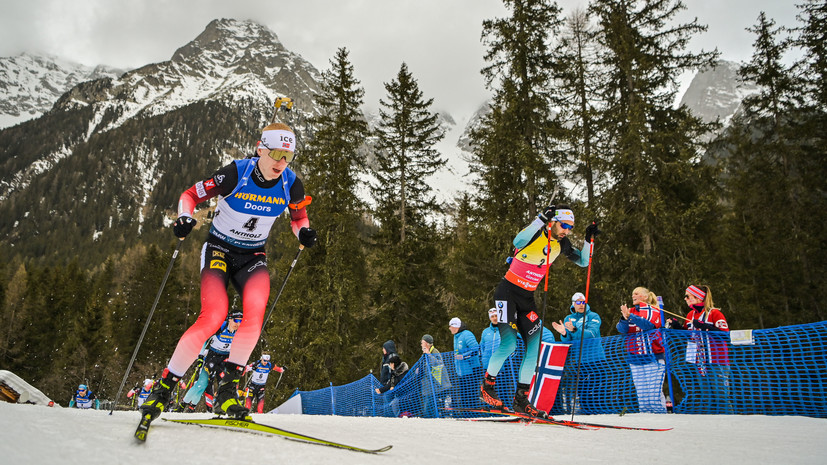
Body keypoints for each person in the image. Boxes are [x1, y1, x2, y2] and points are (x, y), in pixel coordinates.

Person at [140, 122, 317, 421]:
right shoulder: (236, 173)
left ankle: (226, 392)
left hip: (252, 256)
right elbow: (190, 195)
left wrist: (304, 232)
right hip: (219, 250)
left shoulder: (290, 183)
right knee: (213, 316)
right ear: (260, 148)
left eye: (288, 155)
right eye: (276, 153)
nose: (281, 162)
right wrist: (184, 217)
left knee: (255, 313)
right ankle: (163, 390)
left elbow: (299, 217)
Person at [480, 205, 598, 418]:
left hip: (527, 298)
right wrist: (540, 219)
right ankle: (487, 386)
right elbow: (517, 242)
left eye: (571, 228)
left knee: (534, 349)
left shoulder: (562, 243)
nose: (567, 231)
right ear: (553, 222)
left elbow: (582, 261)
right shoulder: (537, 232)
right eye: (564, 226)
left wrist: (589, 241)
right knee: (509, 344)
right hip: (507, 292)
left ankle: (521, 400)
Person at [668, 284, 732, 413]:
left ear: (698, 297)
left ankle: (729, 421)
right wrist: (676, 326)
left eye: (688, 296)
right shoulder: (691, 315)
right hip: (700, 361)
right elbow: (688, 336)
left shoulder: (714, 313)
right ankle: (709, 423)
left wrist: (705, 326)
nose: (685, 299)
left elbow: (725, 335)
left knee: (721, 396)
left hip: (716, 361)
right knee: (706, 396)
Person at [176, 309, 242, 412]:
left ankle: (224, 408)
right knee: (202, 384)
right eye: (236, 320)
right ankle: (181, 406)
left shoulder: (241, 331)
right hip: (213, 356)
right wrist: (201, 356)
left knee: (226, 385)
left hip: (225, 359)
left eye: (241, 321)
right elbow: (204, 340)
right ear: (229, 319)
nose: (238, 324)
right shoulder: (220, 327)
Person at [552, 292, 605, 413]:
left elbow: (590, 334)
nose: (581, 305)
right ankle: (586, 412)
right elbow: (567, 340)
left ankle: (600, 412)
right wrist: (564, 333)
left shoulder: (593, 316)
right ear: (573, 304)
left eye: (583, 302)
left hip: (596, 358)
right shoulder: (569, 319)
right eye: (578, 302)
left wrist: (575, 330)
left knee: (597, 388)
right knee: (582, 389)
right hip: (580, 360)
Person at [617, 286, 667, 413]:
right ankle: (645, 416)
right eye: (632, 293)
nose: (633, 295)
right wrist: (624, 318)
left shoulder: (654, 310)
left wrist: (631, 317)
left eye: (636, 293)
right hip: (635, 357)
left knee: (653, 392)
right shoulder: (631, 310)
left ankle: (660, 415)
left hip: (653, 356)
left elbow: (649, 326)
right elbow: (622, 330)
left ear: (645, 296)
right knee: (642, 393)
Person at [449, 317, 482, 410]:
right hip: (462, 371)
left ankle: (474, 412)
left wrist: (464, 356)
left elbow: (476, 349)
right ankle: (466, 413)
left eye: (450, 326)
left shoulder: (467, 334)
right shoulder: (456, 337)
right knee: (464, 394)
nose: (449, 328)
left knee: (471, 394)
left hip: (472, 370)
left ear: (456, 326)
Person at [418, 334, 450, 417]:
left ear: (427, 344)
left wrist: (429, 354)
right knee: (427, 409)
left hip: (436, 387)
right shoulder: (424, 354)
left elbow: (438, 364)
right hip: (428, 387)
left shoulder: (434, 352)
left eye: (422, 343)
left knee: (429, 409)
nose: (421, 344)